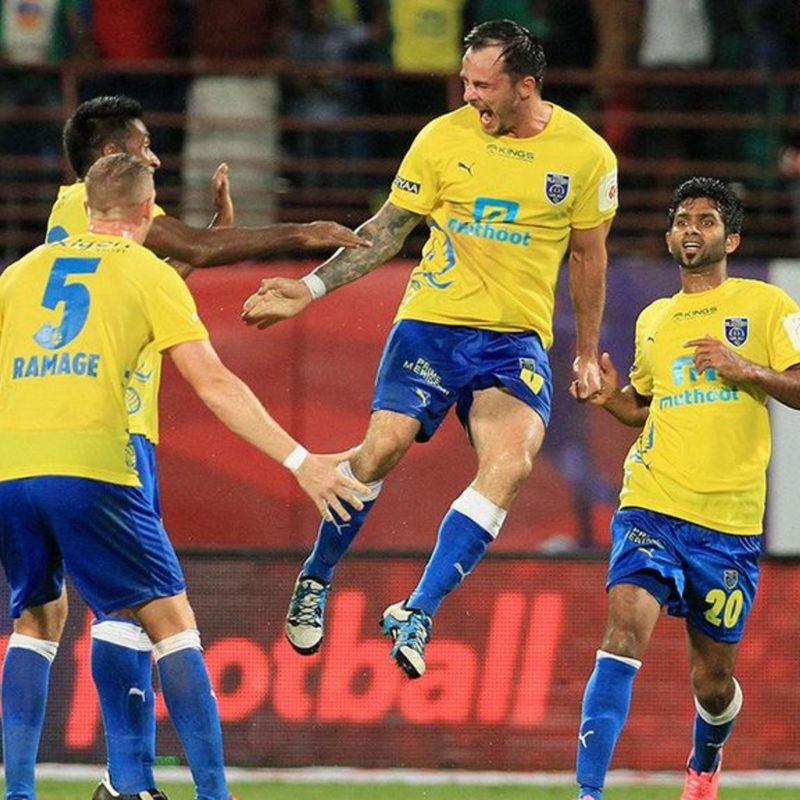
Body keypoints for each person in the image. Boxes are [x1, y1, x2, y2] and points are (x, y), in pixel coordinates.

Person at [242, 18, 618, 678]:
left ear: (525, 86)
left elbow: (589, 257)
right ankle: (317, 576)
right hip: (433, 324)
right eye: (465, 82)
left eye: (482, 85)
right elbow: (387, 230)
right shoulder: (442, 138)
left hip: (514, 340)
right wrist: (310, 287)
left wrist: (587, 351)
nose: (468, 96)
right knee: (382, 448)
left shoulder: (587, 156)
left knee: (513, 463)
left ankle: (417, 610)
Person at [0, 152, 366, 800]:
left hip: (12, 472)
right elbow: (215, 384)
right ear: (148, 210)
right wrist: (300, 461)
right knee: (171, 619)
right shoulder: (146, 271)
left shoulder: (19, 273)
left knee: (36, 619)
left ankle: (22, 793)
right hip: (93, 467)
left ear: (87, 208)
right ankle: (213, 795)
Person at [571, 177, 800, 800]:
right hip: (652, 502)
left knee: (713, 684)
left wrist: (744, 367)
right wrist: (609, 397)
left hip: (728, 525)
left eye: (706, 220)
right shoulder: (654, 318)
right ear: (670, 237)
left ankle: (704, 763)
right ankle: (588, 793)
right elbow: (644, 407)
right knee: (622, 632)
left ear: (732, 238)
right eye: (682, 221)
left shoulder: (765, 304)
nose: (691, 229)